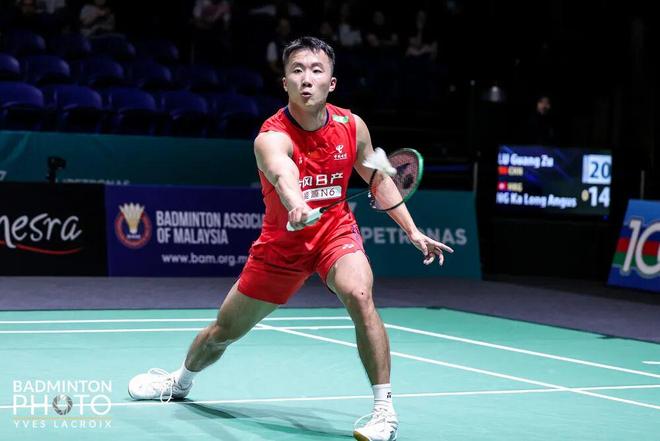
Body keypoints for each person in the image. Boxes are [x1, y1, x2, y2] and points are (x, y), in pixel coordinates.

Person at [128, 36, 453, 441]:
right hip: (281, 247)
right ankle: (179, 381)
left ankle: (384, 410)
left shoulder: (353, 126)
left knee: (360, 294)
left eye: (316, 70)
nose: (306, 79)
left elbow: (379, 177)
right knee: (223, 332)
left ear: (332, 82)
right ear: (285, 82)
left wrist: (412, 230)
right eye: (297, 70)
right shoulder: (271, 136)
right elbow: (283, 174)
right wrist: (296, 204)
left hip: (335, 233)